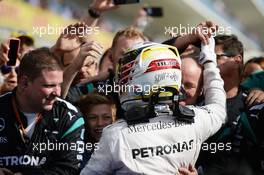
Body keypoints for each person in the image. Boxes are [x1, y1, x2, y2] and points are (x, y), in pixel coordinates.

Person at [80, 37, 226, 174]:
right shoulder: (196, 120)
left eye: (127, 73)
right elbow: (218, 105)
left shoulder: (116, 135)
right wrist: (209, 60)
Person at [0, 48, 85, 175]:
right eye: (49, 86)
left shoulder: (69, 116)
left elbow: (68, 169)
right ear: (24, 83)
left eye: (59, 84)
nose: (57, 93)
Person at [197, 34, 264, 175]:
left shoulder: (253, 105)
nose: (207, 61)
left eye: (215, 56)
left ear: (237, 60)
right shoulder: (194, 101)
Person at [77, 92, 116, 169]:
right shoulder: (76, 152)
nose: (100, 123)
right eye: (93, 118)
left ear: (114, 119)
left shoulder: (123, 147)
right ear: (84, 119)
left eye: (106, 117)